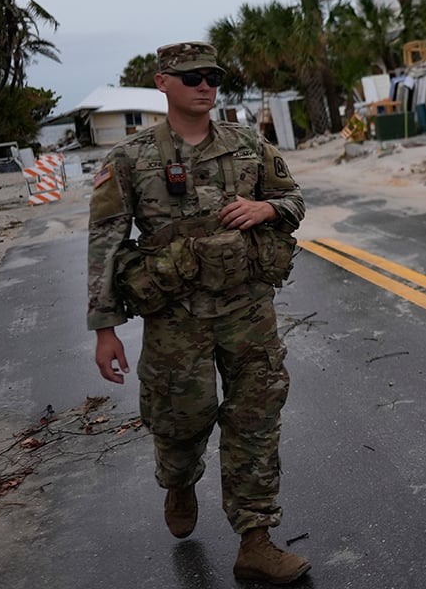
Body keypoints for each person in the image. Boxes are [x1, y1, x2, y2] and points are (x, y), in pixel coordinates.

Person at [87, 41, 310, 584]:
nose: (205, 85)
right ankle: (179, 481)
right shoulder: (130, 158)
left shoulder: (248, 145)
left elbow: (295, 201)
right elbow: (105, 243)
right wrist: (104, 329)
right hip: (175, 316)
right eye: (191, 78)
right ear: (163, 83)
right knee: (180, 422)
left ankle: (255, 539)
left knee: (256, 418)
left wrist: (267, 207)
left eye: (211, 76)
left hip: (247, 308)